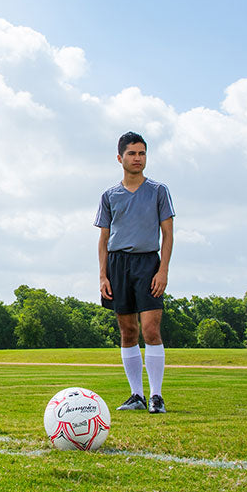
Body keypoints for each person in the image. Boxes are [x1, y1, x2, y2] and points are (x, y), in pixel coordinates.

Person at [94, 131, 174, 414]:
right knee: (128, 332)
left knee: (151, 329)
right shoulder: (109, 196)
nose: (137, 158)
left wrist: (162, 270)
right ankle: (136, 395)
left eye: (142, 153)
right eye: (132, 153)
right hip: (118, 265)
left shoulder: (158, 191)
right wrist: (103, 276)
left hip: (147, 263)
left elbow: (167, 234)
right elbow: (103, 239)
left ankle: (156, 396)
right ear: (120, 158)